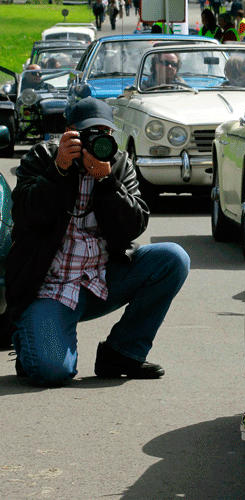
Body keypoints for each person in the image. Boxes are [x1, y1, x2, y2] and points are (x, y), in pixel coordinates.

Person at [7, 97, 190, 386]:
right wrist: (59, 170)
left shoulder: (118, 164)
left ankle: (122, 353)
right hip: (50, 286)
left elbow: (134, 226)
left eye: (103, 133)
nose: (96, 140)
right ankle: (29, 337)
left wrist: (106, 182)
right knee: (53, 372)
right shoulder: (43, 156)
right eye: (87, 133)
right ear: (69, 132)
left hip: (101, 279)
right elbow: (25, 214)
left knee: (173, 258)